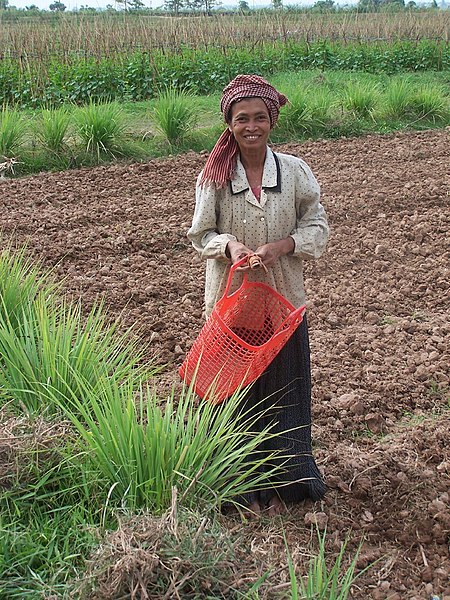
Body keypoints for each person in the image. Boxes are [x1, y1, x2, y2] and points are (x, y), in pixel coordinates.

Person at [187, 74, 329, 517]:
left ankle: (289, 481)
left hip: (283, 300)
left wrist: (282, 246)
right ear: (228, 123)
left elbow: (317, 226)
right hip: (232, 304)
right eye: (241, 118)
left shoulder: (293, 171)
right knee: (233, 394)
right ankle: (237, 480)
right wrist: (230, 246)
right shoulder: (215, 176)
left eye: (260, 117)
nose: (252, 126)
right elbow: (200, 234)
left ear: (273, 121)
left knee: (285, 388)